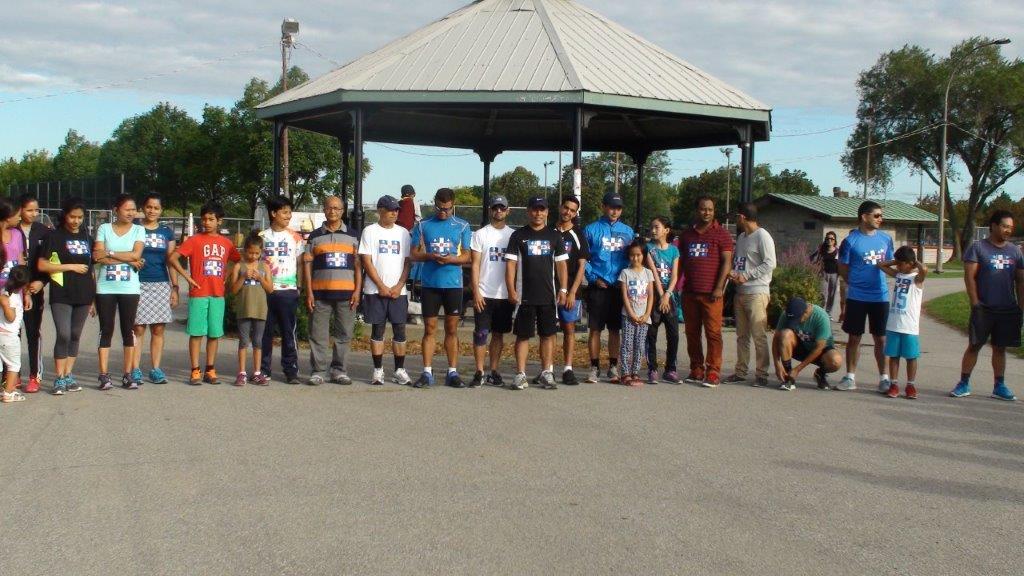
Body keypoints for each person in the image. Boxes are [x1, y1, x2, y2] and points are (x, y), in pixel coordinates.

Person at [951, 210, 1023, 401]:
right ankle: (963, 383)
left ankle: (999, 386)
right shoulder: (978, 248)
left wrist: (1021, 306)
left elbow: (1020, 281)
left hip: (1007, 308)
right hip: (984, 308)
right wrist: (975, 303)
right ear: (993, 226)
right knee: (974, 345)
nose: (1008, 230)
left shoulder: (1015, 251)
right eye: (1005, 226)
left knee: (1000, 348)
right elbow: (969, 277)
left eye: (1011, 227)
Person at [168, 201, 241, 386]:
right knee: (196, 333)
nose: (207, 222)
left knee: (214, 334)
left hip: (218, 295)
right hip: (199, 293)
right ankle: (195, 370)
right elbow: (173, 258)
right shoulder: (194, 240)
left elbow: (236, 260)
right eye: (204, 219)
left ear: (219, 221)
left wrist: (227, 276)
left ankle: (210, 369)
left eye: (211, 219)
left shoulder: (226, 243)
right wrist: (187, 277)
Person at [410, 188, 472, 388]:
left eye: (447, 209)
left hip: (453, 285)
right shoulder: (423, 225)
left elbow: (467, 256)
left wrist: (451, 259)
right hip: (430, 285)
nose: (443, 212)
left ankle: (452, 372)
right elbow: (413, 254)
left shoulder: (462, 225)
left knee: (451, 329)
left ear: (453, 205)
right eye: (439, 208)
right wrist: (430, 256)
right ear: (434, 203)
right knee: (429, 329)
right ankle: (427, 372)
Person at [505, 195, 568, 390]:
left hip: (548, 296)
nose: (538, 213)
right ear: (528, 211)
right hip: (524, 296)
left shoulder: (555, 236)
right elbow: (511, 265)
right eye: (534, 209)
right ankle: (520, 374)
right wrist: (511, 289)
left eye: (542, 209)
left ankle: (546, 372)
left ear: (547, 212)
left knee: (547, 335)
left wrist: (563, 289)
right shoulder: (518, 235)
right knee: (523, 336)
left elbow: (561, 265)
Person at [37, 196, 94, 395]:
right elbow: (42, 265)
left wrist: (94, 298)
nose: (76, 221)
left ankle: (68, 374)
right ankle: (59, 378)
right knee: (63, 334)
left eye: (80, 217)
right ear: (65, 215)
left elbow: (92, 269)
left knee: (75, 334)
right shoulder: (54, 236)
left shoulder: (87, 238)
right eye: (72, 217)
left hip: (84, 294)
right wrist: (69, 266)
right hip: (61, 293)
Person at [836, 201, 894, 392]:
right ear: (864, 217)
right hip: (857, 297)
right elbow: (842, 267)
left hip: (880, 297)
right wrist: (855, 283)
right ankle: (850, 377)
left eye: (881, 216)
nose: (880, 219)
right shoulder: (850, 241)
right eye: (876, 215)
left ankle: (884, 379)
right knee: (854, 337)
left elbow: (889, 263)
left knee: (881, 339)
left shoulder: (886, 239)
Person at [304, 195, 361, 386]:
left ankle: (339, 371)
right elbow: (307, 265)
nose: (333, 211)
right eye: (329, 208)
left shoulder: (353, 236)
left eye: (337, 208)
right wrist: (309, 292)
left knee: (344, 335)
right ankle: (318, 371)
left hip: (347, 294)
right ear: (324, 210)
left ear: (343, 211)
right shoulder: (314, 236)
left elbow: (358, 266)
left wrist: (357, 291)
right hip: (319, 294)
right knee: (317, 335)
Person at [678, 196, 734, 387]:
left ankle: (713, 371)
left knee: (713, 333)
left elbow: (727, 262)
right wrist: (676, 287)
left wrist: (719, 287)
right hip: (690, 292)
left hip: (712, 294)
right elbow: (680, 262)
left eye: (710, 209)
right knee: (692, 333)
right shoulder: (687, 235)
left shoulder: (722, 234)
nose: (707, 212)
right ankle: (696, 368)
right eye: (703, 209)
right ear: (697, 210)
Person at [93, 194, 146, 390]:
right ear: (116, 210)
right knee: (106, 329)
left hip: (130, 288)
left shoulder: (139, 230)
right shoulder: (104, 228)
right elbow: (98, 257)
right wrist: (129, 260)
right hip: (105, 287)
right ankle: (103, 375)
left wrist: (110, 253)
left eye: (134, 209)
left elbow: (137, 254)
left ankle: (127, 374)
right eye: (127, 209)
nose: (131, 213)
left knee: (128, 330)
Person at [359, 195, 412, 386]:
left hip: (398, 292)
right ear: (380, 210)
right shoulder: (370, 231)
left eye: (396, 210)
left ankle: (399, 370)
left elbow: (407, 262)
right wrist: (381, 286)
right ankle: (378, 370)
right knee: (378, 329)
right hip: (375, 290)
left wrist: (399, 286)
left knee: (400, 330)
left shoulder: (403, 233)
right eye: (390, 210)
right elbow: (366, 261)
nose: (394, 213)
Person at [583, 192, 635, 383]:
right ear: (603, 206)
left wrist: (626, 278)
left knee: (615, 329)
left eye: (618, 208)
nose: (615, 211)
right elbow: (583, 258)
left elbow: (634, 257)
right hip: (598, 286)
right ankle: (594, 367)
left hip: (618, 287)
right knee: (595, 329)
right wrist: (593, 278)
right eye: (612, 207)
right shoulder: (591, 229)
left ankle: (613, 366)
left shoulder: (628, 231)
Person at [724, 203, 776, 387]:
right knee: (742, 335)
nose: (735, 221)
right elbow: (741, 262)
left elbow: (770, 263)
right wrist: (734, 273)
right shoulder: (741, 237)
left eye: (736, 217)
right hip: (740, 292)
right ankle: (741, 371)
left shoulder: (762, 236)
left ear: (742, 217)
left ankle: (762, 374)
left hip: (757, 292)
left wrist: (747, 275)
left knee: (758, 335)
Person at [129, 194, 177, 385]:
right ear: (143, 208)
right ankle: (135, 369)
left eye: (156, 208)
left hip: (160, 284)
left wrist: (175, 287)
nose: (152, 211)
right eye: (149, 207)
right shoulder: (134, 228)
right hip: (137, 283)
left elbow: (171, 261)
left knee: (158, 329)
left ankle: (156, 369)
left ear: (161, 210)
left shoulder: (167, 232)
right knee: (138, 328)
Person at [259, 195, 305, 384]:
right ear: (273, 213)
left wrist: (299, 287)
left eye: (289, 212)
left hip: (288, 291)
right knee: (265, 332)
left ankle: (291, 370)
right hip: (265, 290)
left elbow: (300, 264)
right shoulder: (262, 237)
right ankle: (263, 369)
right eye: (284, 212)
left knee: (288, 332)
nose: (288, 216)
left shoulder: (295, 237)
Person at [470, 195, 514, 388]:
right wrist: (476, 291)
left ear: (507, 210)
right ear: (490, 210)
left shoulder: (513, 235)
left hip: (504, 294)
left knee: (498, 334)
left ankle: (494, 371)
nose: (499, 211)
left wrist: (513, 291)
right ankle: (479, 371)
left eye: (502, 208)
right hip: (484, 293)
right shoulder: (480, 234)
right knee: (481, 333)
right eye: (495, 208)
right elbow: (475, 264)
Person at [878, 246, 927, 399]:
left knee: (911, 357)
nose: (898, 266)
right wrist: (896, 261)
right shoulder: (898, 275)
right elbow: (881, 265)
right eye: (897, 263)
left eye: (901, 263)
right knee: (894, 356)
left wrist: (914, 262)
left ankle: (910, 385)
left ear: (910, 263)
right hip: (894, 323)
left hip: (909, 326)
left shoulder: (916, 278)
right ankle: (894, 383)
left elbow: (924, 269)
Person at [554, 196, 589, 386]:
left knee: (569, 329)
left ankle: (568, 368)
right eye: (566, 208)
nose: (568, 212)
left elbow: (582, 265)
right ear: (561, 207)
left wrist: (573, 291)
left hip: (570, 292)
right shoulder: (549, 231)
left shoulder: (578, 235)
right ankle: (548, 369)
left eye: (572, 210)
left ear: (575, 214)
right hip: (549, 289)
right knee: (548, 331)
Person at [231, 231, 274, 386]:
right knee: (243, 341)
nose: (253, 256)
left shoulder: (265, 267)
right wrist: (243, 277)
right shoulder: (239, 266)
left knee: (257, 341)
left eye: (256, 253)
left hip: (260, 310)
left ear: (261, 252)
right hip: (244, 309)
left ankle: (257, 372)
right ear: (244, 250)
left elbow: (270, 289)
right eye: (250, 252)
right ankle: (241, 372)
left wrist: (260, 278)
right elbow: (233, 290)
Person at [773, 297, 843, 391]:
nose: (795, 322)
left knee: (836, 361)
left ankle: (820, 374)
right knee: (784, 335)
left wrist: (797, 369)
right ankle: (788, 377)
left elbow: (819, 347)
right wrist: (777, 364)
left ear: (806, 312)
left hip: (820, 352)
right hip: (800, 347)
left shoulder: (821, 317)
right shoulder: (788, 313)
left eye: (797, 319)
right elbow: (776, 339)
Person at [17, 194, 50, 394]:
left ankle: (34, 375)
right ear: (19, 210)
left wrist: (42, 281)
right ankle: (12, 374)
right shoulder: (11, 230)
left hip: (34, 290)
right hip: (14, 290)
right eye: (29, 210)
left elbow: (51, 260)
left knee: (32, 332)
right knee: (13, 333)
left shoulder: (44, 231)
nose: (34, 214)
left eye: (36, 210)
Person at [644, 216, 680, 384]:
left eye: (657, 227)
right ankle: (652, 369)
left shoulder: (674, 250)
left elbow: (675, 276)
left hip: (670, 295)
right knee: (651, 333)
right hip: (654, 294)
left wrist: (667, 295)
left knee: (673, 334)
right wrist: (661, 295)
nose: (653, 230)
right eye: (651, 227)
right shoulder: (649, 249)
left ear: (666, 230)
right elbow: (653, 273)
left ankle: (671, 369)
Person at [620, 240, 655, 387]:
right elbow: (624, 296)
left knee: (640, 345)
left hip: (644, 317)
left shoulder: (648, 273)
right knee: (627, 344)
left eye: (638, 255)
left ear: (644, 255)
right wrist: (631, 314)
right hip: (628, 316)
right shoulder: (625, 273)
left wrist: (647, 314)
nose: (635, 258)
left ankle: (635, 372)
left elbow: (651, 295)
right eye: (632, 255)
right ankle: (625, 373)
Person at [0, 266, 30, 403]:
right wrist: (6, 306)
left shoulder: (5, 291)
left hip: (2, 333)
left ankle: (5, 390)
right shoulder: (11, 297)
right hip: (9, 336)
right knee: (14, 365)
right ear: (24, 283)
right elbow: (10, 318)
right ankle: (8, 393)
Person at [814, 231, 840, 319]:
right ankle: (821, 311)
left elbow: (840, 264)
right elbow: (813, 260)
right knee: (823, 294)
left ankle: (828, 312)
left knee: (832, 294)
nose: (830, 240)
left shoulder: (837, 251)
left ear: (835, 240)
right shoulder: (821, 250)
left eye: (832, 239)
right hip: (823, 274)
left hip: (834, 275)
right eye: (828, 238)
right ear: (825, 239)